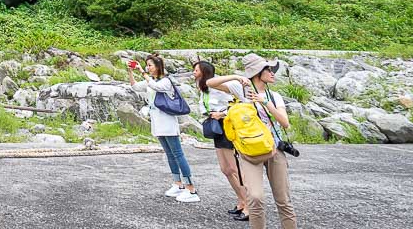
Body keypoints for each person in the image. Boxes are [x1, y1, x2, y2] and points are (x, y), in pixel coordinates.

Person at [207, 53, 298, 229]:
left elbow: (285, 123)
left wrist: (265, 103)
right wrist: (236, 76)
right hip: (248, 150)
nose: (273, 73)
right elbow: (210, 83)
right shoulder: (240, 89)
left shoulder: (274, 96)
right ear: (258, 72)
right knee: (255, 198)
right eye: (269, 69)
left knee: (283, 200)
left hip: (274, 148)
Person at [127, 54, 199, 203]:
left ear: (158, 66)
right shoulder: (151, 80)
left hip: (167, 120)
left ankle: (190, 188)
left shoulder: (166, 81)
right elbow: (135, 87)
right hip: (157, 120)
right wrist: (130, 72)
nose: (148, 68)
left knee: (178, 153)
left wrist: (142, 72)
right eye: (146, 65)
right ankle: (177, 184)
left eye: (150, 65)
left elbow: (156, 87)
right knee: (169, 154)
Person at [193, 60, 248, 221]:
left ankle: (248, 204)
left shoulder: (219, 85)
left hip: (226, 126)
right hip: (215, 126)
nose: (193, 73)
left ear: (204, 71)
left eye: (196, 70)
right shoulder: (202, 87)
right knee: (225, 169)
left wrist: (222, 114)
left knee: (234, 168)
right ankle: (241, 200)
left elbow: (238, 103)